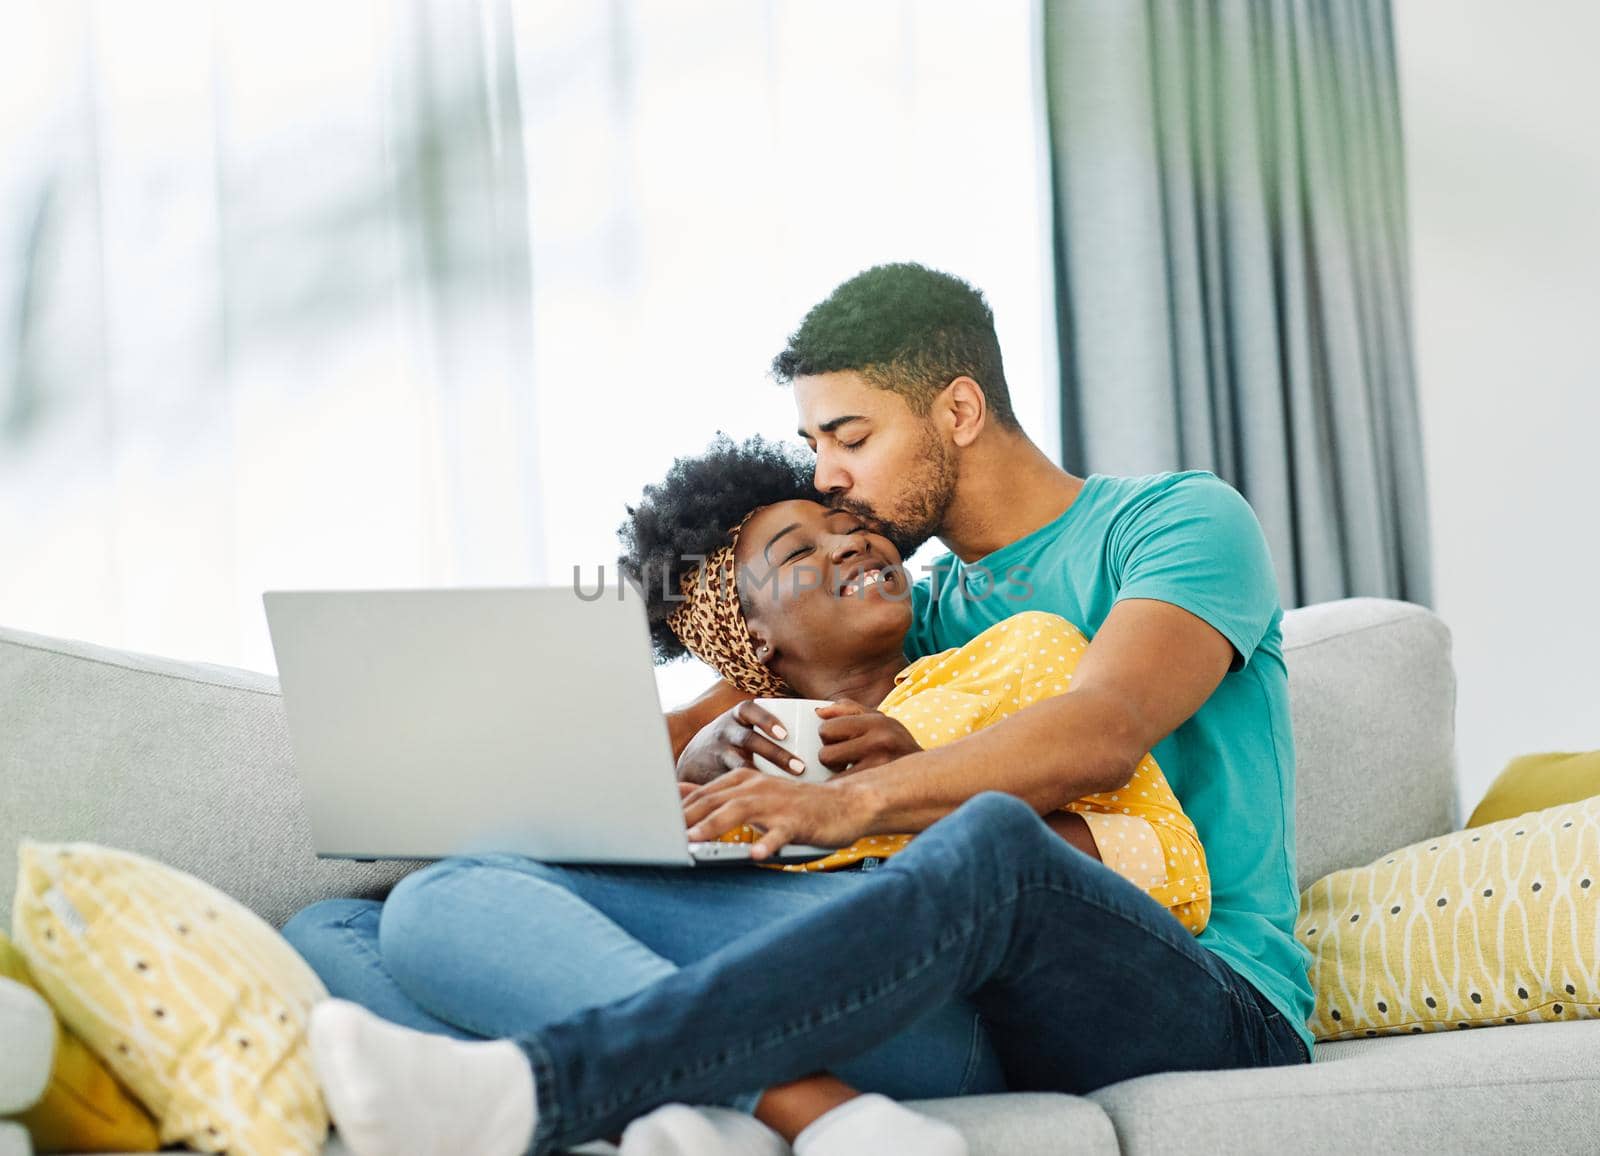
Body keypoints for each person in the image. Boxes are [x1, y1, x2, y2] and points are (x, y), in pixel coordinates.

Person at [289, 263, 1314, 1156]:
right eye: (812, 444)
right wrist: (675, 757)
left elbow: (1103, 726)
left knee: (994, 840)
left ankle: (555, 1085)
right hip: (973, 988)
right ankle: (724, 1110)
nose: (829, 476)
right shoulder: (919, 611)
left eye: (849, 437)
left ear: (956, 413)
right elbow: (740, 689)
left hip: (1201, 988)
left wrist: (853, 804)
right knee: (389, 913)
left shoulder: (1173, 521)